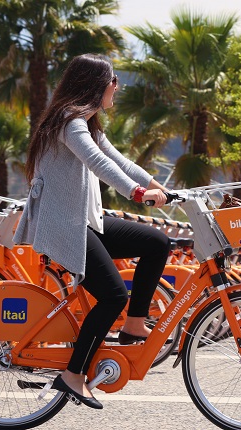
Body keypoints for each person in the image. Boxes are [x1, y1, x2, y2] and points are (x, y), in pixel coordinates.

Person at [13, 54, 171, 409]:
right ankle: (73, 376)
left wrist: (157, 185)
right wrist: (138, 194)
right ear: (97, 84)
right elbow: (97, 163)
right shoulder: (70, 122)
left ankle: (133, 325)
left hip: (83, 222)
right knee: (113, 295)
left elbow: (117, 159)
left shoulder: (87, 124)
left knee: (157, 242)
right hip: (63, 227)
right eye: (114, 80)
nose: (117, 87)